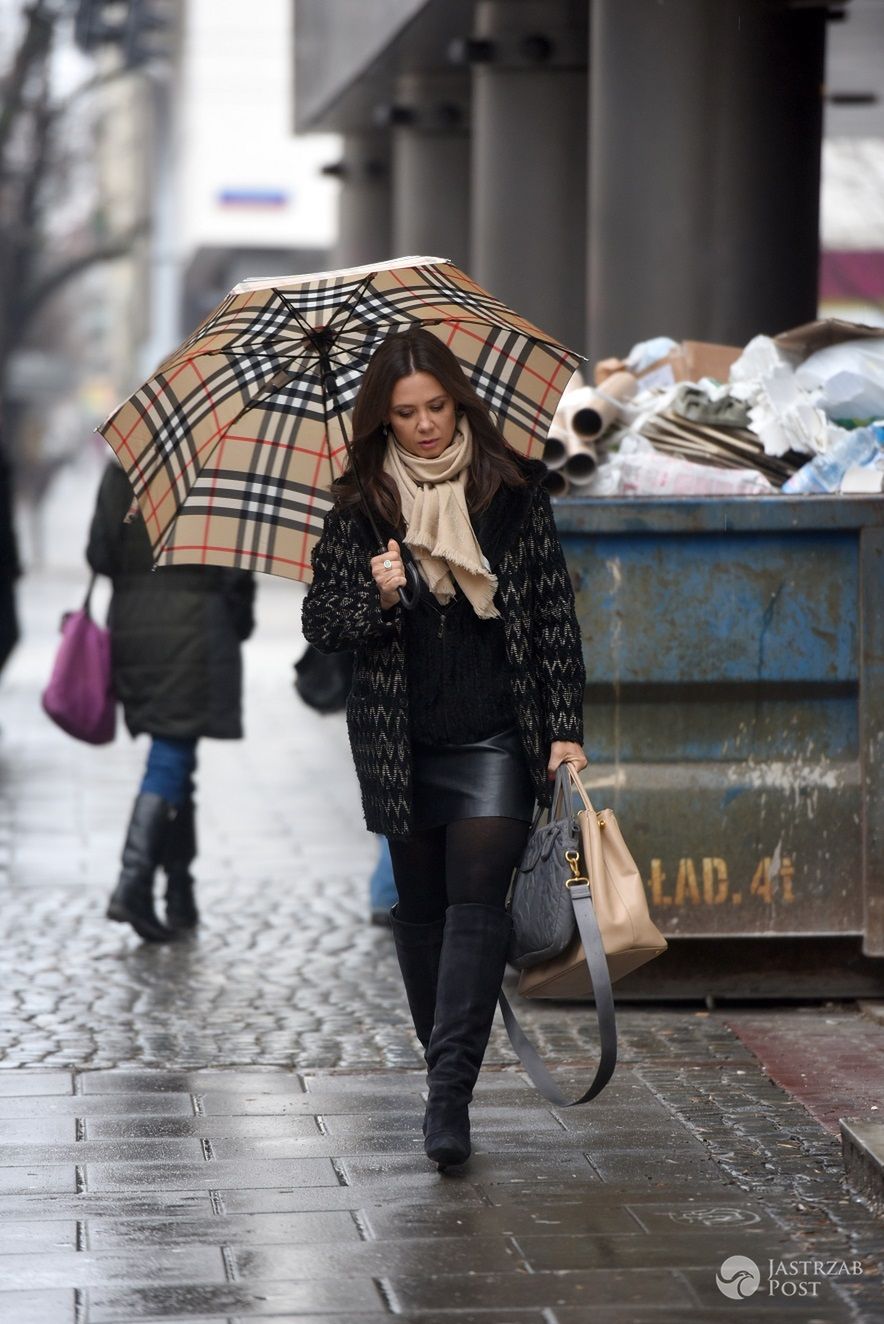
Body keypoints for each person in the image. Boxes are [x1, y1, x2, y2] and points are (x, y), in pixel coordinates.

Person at [302, 327, 586, 1171]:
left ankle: (447, 1097)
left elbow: (550, 620)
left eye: (437, 407)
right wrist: (378, 595)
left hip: (498, 733)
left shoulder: (514, 490)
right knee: (420, 916)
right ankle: (444, 1068)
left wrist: (564, 727)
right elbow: (324, 627)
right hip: (403, 743)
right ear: (382, 420)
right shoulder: (361, 506)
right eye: (406, 413)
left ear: (459, 402)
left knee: (475, 907)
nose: (426, 426)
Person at [87, 460, 255, 942]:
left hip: (135, 628)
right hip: (196, 630)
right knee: (171, 756)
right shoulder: (215, 471)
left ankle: (180, 892)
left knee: (178, 758)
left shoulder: (122, 470)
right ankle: (133, 883)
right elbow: (234, 569)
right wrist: (236, 622)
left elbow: (100, 555)